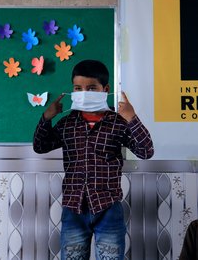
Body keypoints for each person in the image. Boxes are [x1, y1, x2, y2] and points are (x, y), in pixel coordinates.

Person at [33, 59, 154, 260]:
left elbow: (146, 151)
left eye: (91, 88)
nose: (83, 93)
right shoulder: (67, 123)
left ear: (105, 89)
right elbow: (40, 146)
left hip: (108, 207)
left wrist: (132, 118)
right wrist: (47, 117)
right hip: (74, 208)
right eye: (77, 88)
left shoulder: (118, 122)